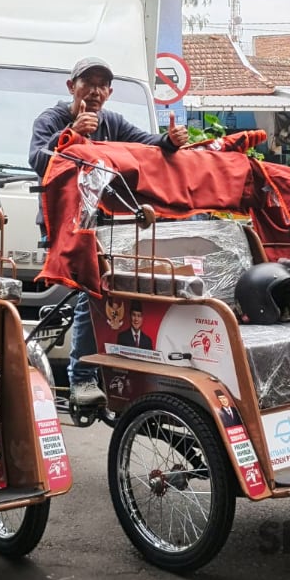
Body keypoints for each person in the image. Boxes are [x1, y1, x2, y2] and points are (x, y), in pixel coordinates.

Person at [28, 57, 189, 408]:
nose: (96, 91)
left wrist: (170, 140)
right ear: (72, 87)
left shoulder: (111, 122)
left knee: (127, 283)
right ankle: (82, 379)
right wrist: (70, 136)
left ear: (110, 92)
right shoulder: (52, 119)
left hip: (107, 225)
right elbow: (37, 159)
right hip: (66, 225)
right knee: (94, 287)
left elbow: (147, 145)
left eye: (103, 85)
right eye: (89, 83)